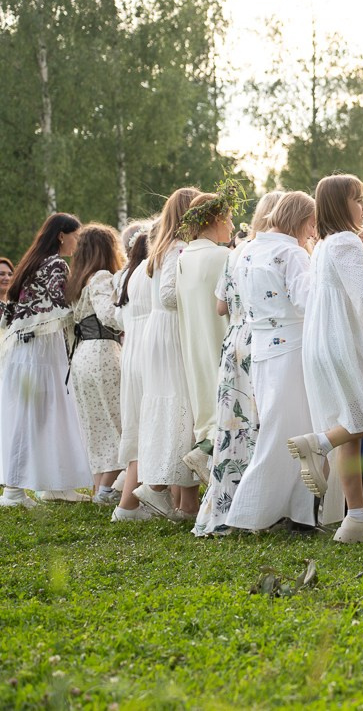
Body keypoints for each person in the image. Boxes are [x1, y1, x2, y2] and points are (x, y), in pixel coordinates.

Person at [287, 174, 363, 544]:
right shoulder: (347, 243)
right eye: (359, 200)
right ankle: (320, 442)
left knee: (351, 425)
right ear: (342, 204)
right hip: (345, 341)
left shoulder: (323, 245)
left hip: (321, 340)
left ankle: (356, 518)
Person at [225, 191, 318, 534]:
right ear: (302, 219)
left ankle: (300, 513)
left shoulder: (248, 249)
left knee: (289, 427)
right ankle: (248, 512)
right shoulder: (290, 253)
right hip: (291, 346)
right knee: (285, 431)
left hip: (262, 346)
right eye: (312, 223)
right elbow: (308, 301)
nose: (313, 230)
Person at [192, 191, 284, 536]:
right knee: (261, 422)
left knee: (233, 426)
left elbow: (220, 306)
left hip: (233, 341)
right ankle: (261, 508)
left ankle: (226, 503)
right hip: (263, 338)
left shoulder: (237, 251)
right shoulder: (276, 251)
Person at [0, 213, 92, 507]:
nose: (77, 243)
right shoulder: (54, 264)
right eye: (76, 236)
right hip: (39, 351)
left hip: (27, 349)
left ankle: (56, 484)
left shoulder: (30, 262)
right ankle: (13, 491)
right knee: (33, 416)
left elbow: (9, 312)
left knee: (51, 414)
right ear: (61, 235)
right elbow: (61, 300)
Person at [135, 186, 201, 521]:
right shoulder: (178, 248)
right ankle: (156, 487)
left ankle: (185, 504)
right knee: (181, 409)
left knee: (176, 408)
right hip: (172, 330)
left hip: (159, 332)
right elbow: (170, 295)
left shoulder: (162, 248)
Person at [175, 185, 239, 483]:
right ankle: (209, 454)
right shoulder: (222, 257)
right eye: (228, 218)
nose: (233, 225)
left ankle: (206, 449)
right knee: (229, 403)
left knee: (208, 401)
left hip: (194, 341)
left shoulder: (184, 256)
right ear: (215, 220)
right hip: (220, 338)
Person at [66, 223, 125, 504]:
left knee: (95, 424)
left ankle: (97, 487)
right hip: (103, 351)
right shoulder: (101, 277)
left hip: (81, 356)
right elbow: (109, 315)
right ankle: (106, 490)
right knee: (116, 420)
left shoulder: (78, 280)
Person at [111, 222, 155, 521]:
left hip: (131, 350)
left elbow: (116, 317)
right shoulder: (149, 274)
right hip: (148, 350)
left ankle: (129, 496)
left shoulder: (127, 276)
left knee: (139, 423)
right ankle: (127, 503)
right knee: (147, 424)